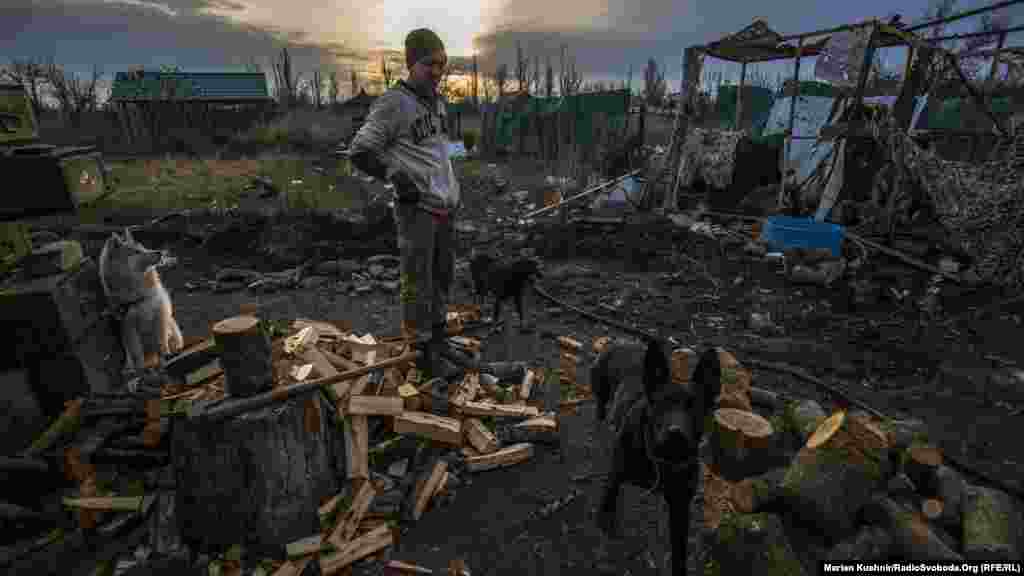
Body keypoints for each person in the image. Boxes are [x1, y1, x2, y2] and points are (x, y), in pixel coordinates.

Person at [349, 28, 460, 381]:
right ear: (412, 63)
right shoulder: (393, 103)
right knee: (418, 281)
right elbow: (361, 151)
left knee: (442, 277)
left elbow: (433, 152)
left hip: (445, 207)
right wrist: (396, 178)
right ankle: (422, 350)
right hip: (417, 210)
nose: (437, 71)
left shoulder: (437, 103)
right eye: (430, 64)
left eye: (442, 64)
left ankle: (439, 339)